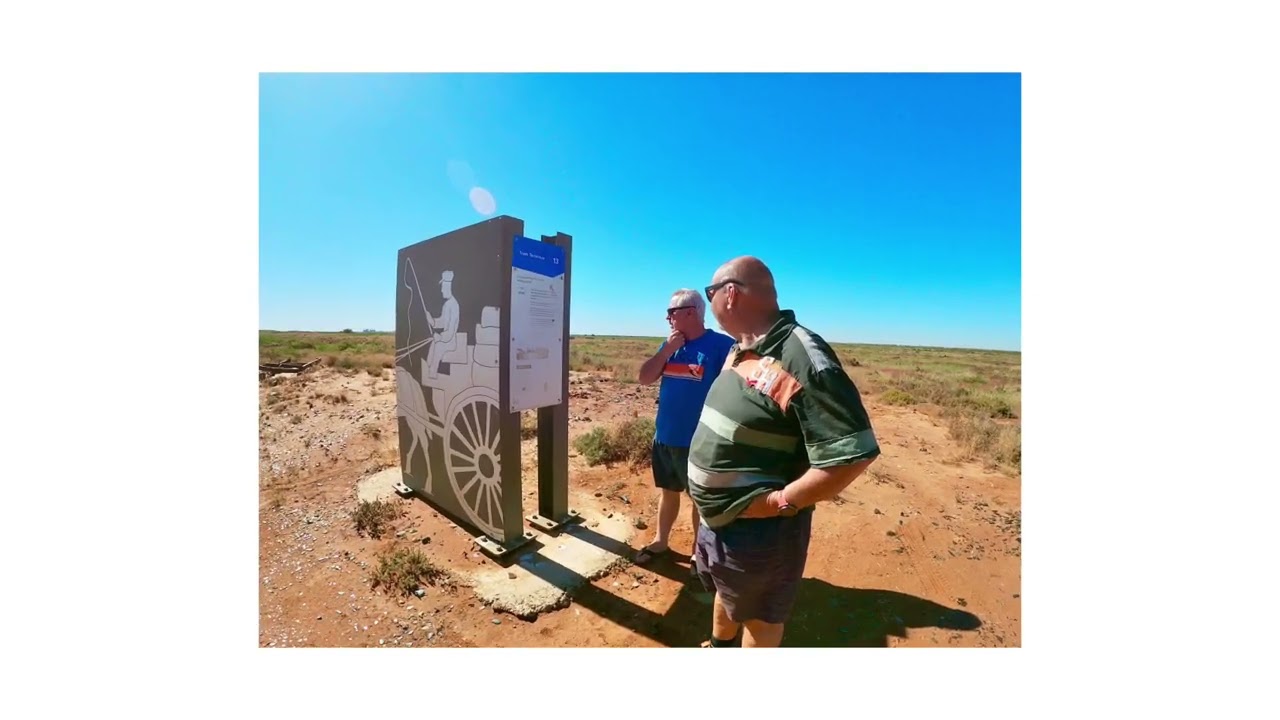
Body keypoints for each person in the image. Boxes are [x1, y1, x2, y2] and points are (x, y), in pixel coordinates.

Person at [687, 257, 881, 648]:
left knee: (760, 618)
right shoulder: (743, 347)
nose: (710, 303)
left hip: (760, 531)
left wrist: (780, 502)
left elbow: (853, 453)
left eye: (710, 293)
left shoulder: (801, 353)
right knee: (727, 592)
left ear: (730, 293)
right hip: (718, 521)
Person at [632, 288, 735, 565]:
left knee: (699, 500)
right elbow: (644, 378)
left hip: (698, 441)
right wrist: (667, 350)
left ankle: (697, 553)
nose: (667, 318)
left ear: (691, 313)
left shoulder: (722, 346)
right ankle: (660, 541)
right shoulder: (670, 346)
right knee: (668, 492)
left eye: (671, 313)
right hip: (665, 437)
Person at [426, 270, 460, 379]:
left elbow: (450, 331)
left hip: (450, 341)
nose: (441, 290)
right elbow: (442, 321)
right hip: (445, 339)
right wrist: (431, 320)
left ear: (448, 287)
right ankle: (428, 368)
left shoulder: (454, 305)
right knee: (433, 344)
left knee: (439, 346)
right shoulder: (447, 304)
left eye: (443, 287)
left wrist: (440, 337)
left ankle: (432, 374)